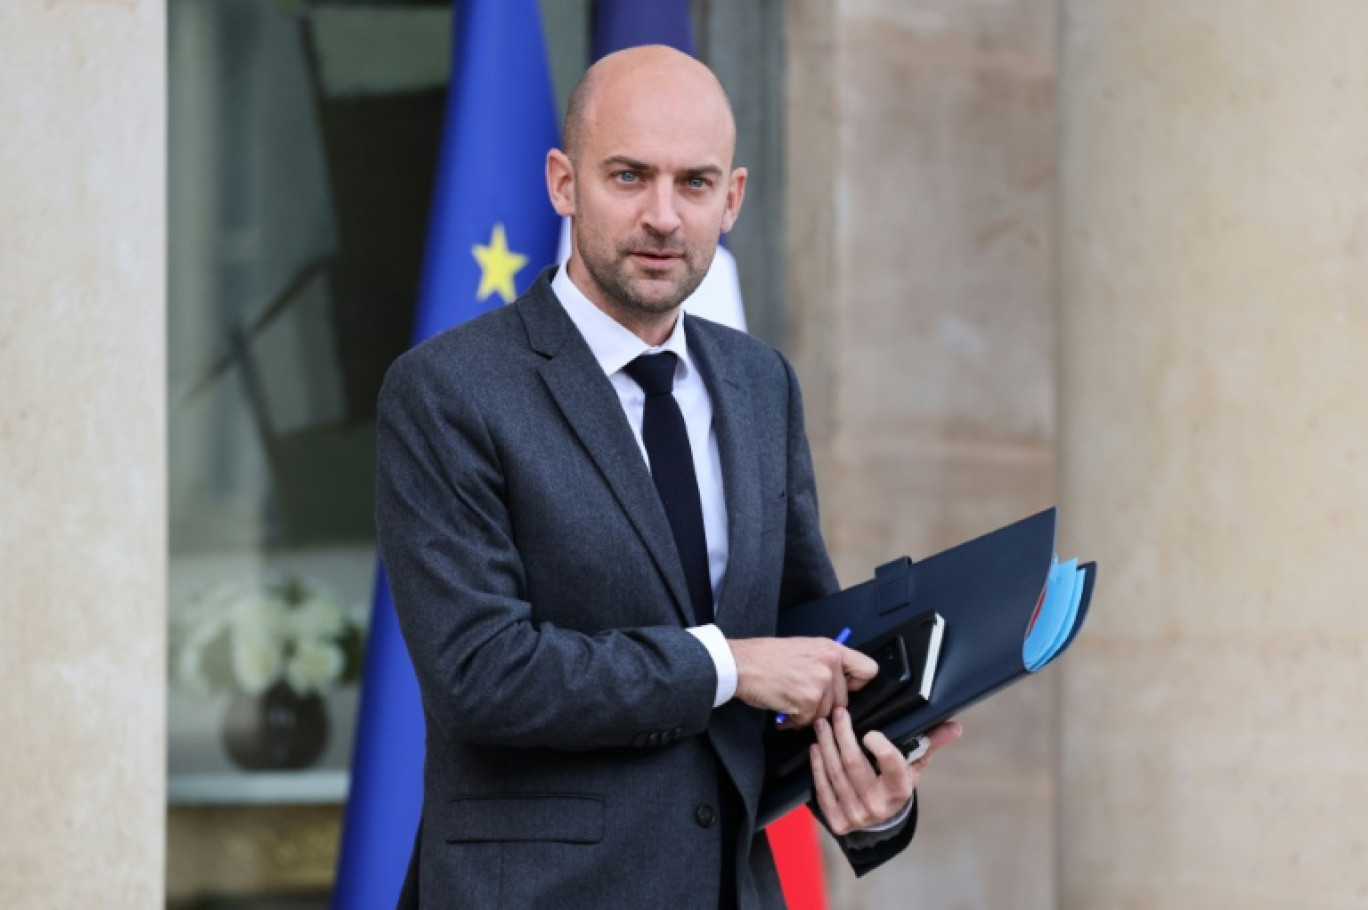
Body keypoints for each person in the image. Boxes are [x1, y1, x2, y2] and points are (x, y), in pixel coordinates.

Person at [376, 45, 962, 910]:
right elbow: (482, 676)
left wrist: (874, 790)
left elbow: (804, 645)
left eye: (694, 183)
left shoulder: (763, 385)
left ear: (732, 200)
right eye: (628, 177)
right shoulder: (447, 391)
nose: (662, 216)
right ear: (562, 183)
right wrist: (724, 665)